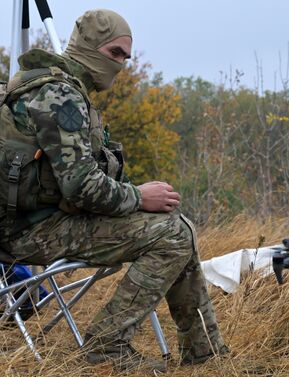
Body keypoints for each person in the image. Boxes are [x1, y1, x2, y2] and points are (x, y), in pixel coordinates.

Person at [0, 9, 227, 372]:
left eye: (125, 56)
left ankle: (206, 355)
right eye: (115, 54)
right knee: (172, 234)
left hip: (35, 223)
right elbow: (80, 187)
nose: (121, 65)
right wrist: (138, 197)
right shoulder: (61, 97)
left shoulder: (53, 86)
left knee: (175, 225)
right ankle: (106, 346)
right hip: (27, 233)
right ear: (90, 46)